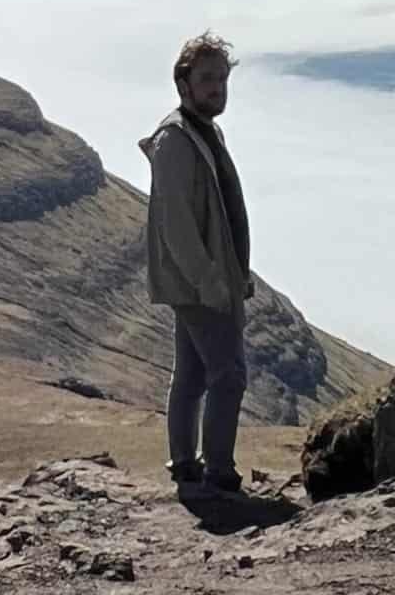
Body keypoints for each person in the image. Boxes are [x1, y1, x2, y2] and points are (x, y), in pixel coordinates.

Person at [139, 32, 253, 497]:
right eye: (207, 80)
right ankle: (219, 474)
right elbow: (178, 225)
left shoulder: (205, 131)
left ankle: (185, 463)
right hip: (199, 282)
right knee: (229, 374)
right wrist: (210, 281)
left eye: (222, 79)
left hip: (208, 277)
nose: (217, 89)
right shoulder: (175, 141)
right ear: (182, 83)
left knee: (190, 373)